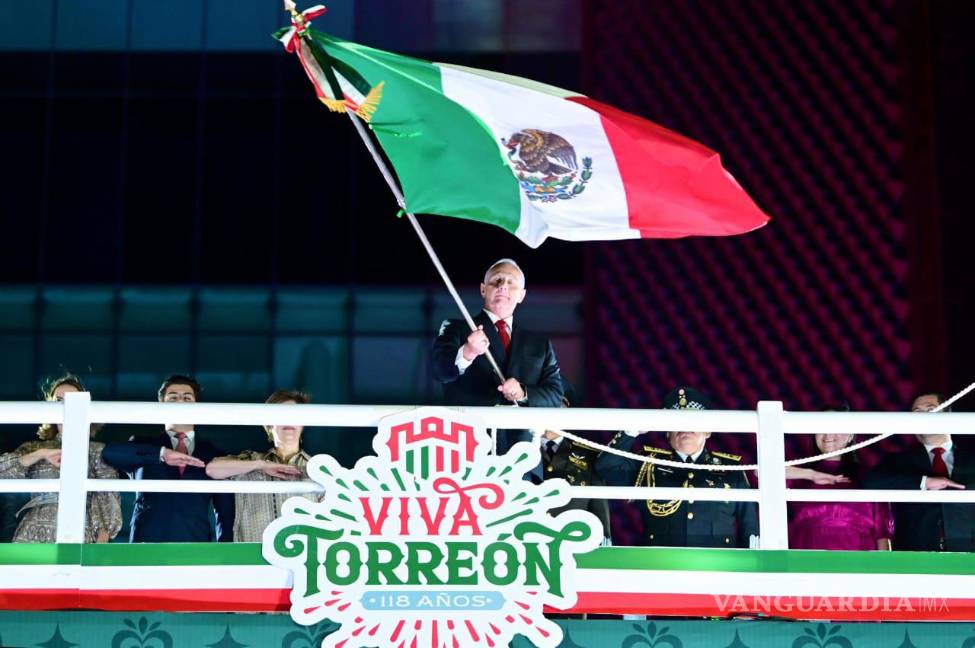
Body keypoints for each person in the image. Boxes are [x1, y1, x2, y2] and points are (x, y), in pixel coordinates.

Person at [431, 258, 562, 458]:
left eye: (511, 283)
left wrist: (522, 393)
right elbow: (440, 372)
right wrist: (468, 351)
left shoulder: (539, 344)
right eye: (496, 281)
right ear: (483, 289)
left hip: (523, 456)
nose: (503, 286)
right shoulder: (457, 327)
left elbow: (554, 396)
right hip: (469, 453)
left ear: (522, 295)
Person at [600, 386, 759, 547]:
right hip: (661, 566)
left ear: (708, 431)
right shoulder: (648, 464)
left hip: (717, 568)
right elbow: (606, 467)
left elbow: (749, 527)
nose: (685, 427)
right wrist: (632, 430)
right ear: (667, 432)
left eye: (693, 420)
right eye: (677, 421)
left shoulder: (731, 469)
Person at [101, 374, 235, 542]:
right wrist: (161, 454)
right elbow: (109, 454)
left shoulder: (213, 453)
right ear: (161, 406)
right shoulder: (142, 444)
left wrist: (224, 554)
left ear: (199, 406)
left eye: (187, 398)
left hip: (196, 548)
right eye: (173, 398)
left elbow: (225, 513)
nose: (180, 402)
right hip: (146, 547)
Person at [0, 375, 122, 543]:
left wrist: (99, 549)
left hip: (81, 531)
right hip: (34, 531)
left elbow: (108, 499)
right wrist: (41, 454)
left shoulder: (97, 451)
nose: (65, 406)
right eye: (58, 401)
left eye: (71, 400)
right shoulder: (33, 448)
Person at [863, 392, 974, 551]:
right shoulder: (899, 461)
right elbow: (870, 482)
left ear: (948, 415)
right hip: (915, 553)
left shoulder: (972, 459)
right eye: (917, 413)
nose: (924, 417)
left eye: (931, 410)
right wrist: (924, 482)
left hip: (967, 553)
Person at [206, 389, 319, 542]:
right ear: (269, 425)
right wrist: (260, 465)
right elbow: (212, 469)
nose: (288, 420)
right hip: (253, 557)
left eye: (295, 415)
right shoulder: (251, 459)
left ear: (303, 423)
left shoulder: (317, 468)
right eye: (281, 415)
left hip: (302, 558)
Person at [785, 406, 894, 550]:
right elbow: (760, 472)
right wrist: (812, 475)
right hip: (807, 554)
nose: (828, 434)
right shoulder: (799, 473)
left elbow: (883, 532)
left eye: (835, 427)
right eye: (822, 428)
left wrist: (884, 569)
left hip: (858, 558)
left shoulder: (868, 476)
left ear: (850, 436)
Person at [535, 379, 611, 542]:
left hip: (573, 543)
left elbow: (598, 509)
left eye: (557, 406)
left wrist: (604, 538)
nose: (550, 412)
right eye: (544, 405)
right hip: (527, 542)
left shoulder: (589, 454)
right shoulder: (519, 447)